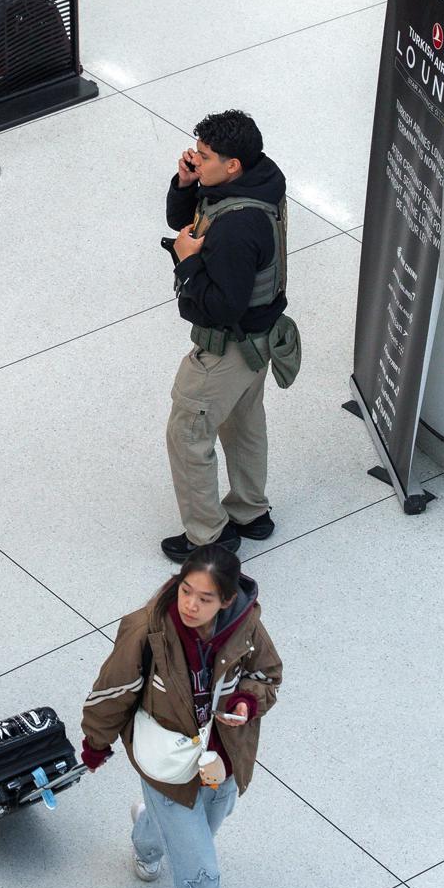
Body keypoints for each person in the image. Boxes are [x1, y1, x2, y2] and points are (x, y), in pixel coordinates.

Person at [78, 544, 282, 888]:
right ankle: (160, 821)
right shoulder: (146, 630)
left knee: (210, 818)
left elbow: (267, 675)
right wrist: (95, 744)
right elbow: (113, 691)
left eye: (205, 598)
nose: (190, 605)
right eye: (186, 591)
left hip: (223, 757)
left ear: (227, 599)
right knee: (201, 874)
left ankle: (148, 834)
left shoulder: (245, 625)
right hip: (168, 764)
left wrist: (246, 701)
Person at [160, 109, 290, 562]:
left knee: (189, 431)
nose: (196, 158)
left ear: (232, 165)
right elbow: (186, 220)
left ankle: (208, 537)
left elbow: (222, 305)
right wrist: (186, 184)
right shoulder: (258, 179)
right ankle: (251, 512)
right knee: (244, 422)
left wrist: (187, 261)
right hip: (260, 342)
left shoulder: (238, 227)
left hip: (228, 347)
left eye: (205, 155)